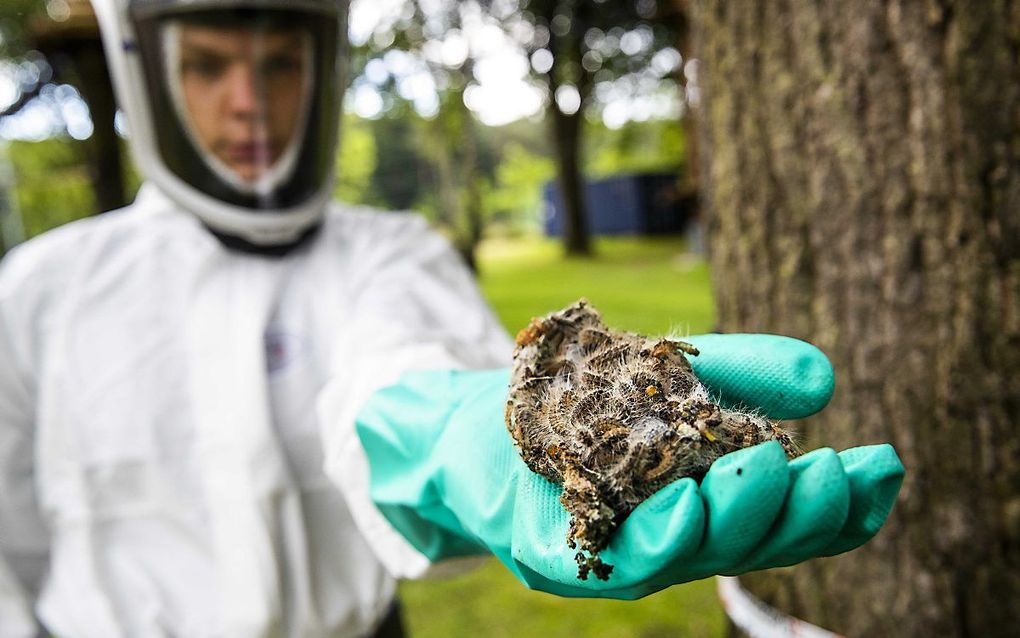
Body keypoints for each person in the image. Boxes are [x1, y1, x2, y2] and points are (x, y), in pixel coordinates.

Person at [0, 1, 905, 636]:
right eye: (208, 64)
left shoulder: (391, 252)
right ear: (144, 66)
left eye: (281, 62)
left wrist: (449, 433)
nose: (250, 100)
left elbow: (395, 371)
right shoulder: (38, 291)